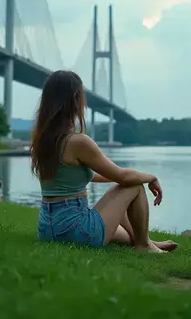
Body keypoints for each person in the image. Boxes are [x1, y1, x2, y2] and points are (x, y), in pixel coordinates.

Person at [31, 70, 179, 253]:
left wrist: (120, 177)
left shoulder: (42, 140)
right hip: (74, 228)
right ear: (75, 100)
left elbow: (89, 176)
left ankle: (145, 240)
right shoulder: (78, 142)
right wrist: (150, 177)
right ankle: (144, 246)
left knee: (126, 235)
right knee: (134, 186)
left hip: (48, 228)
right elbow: (124, 177)